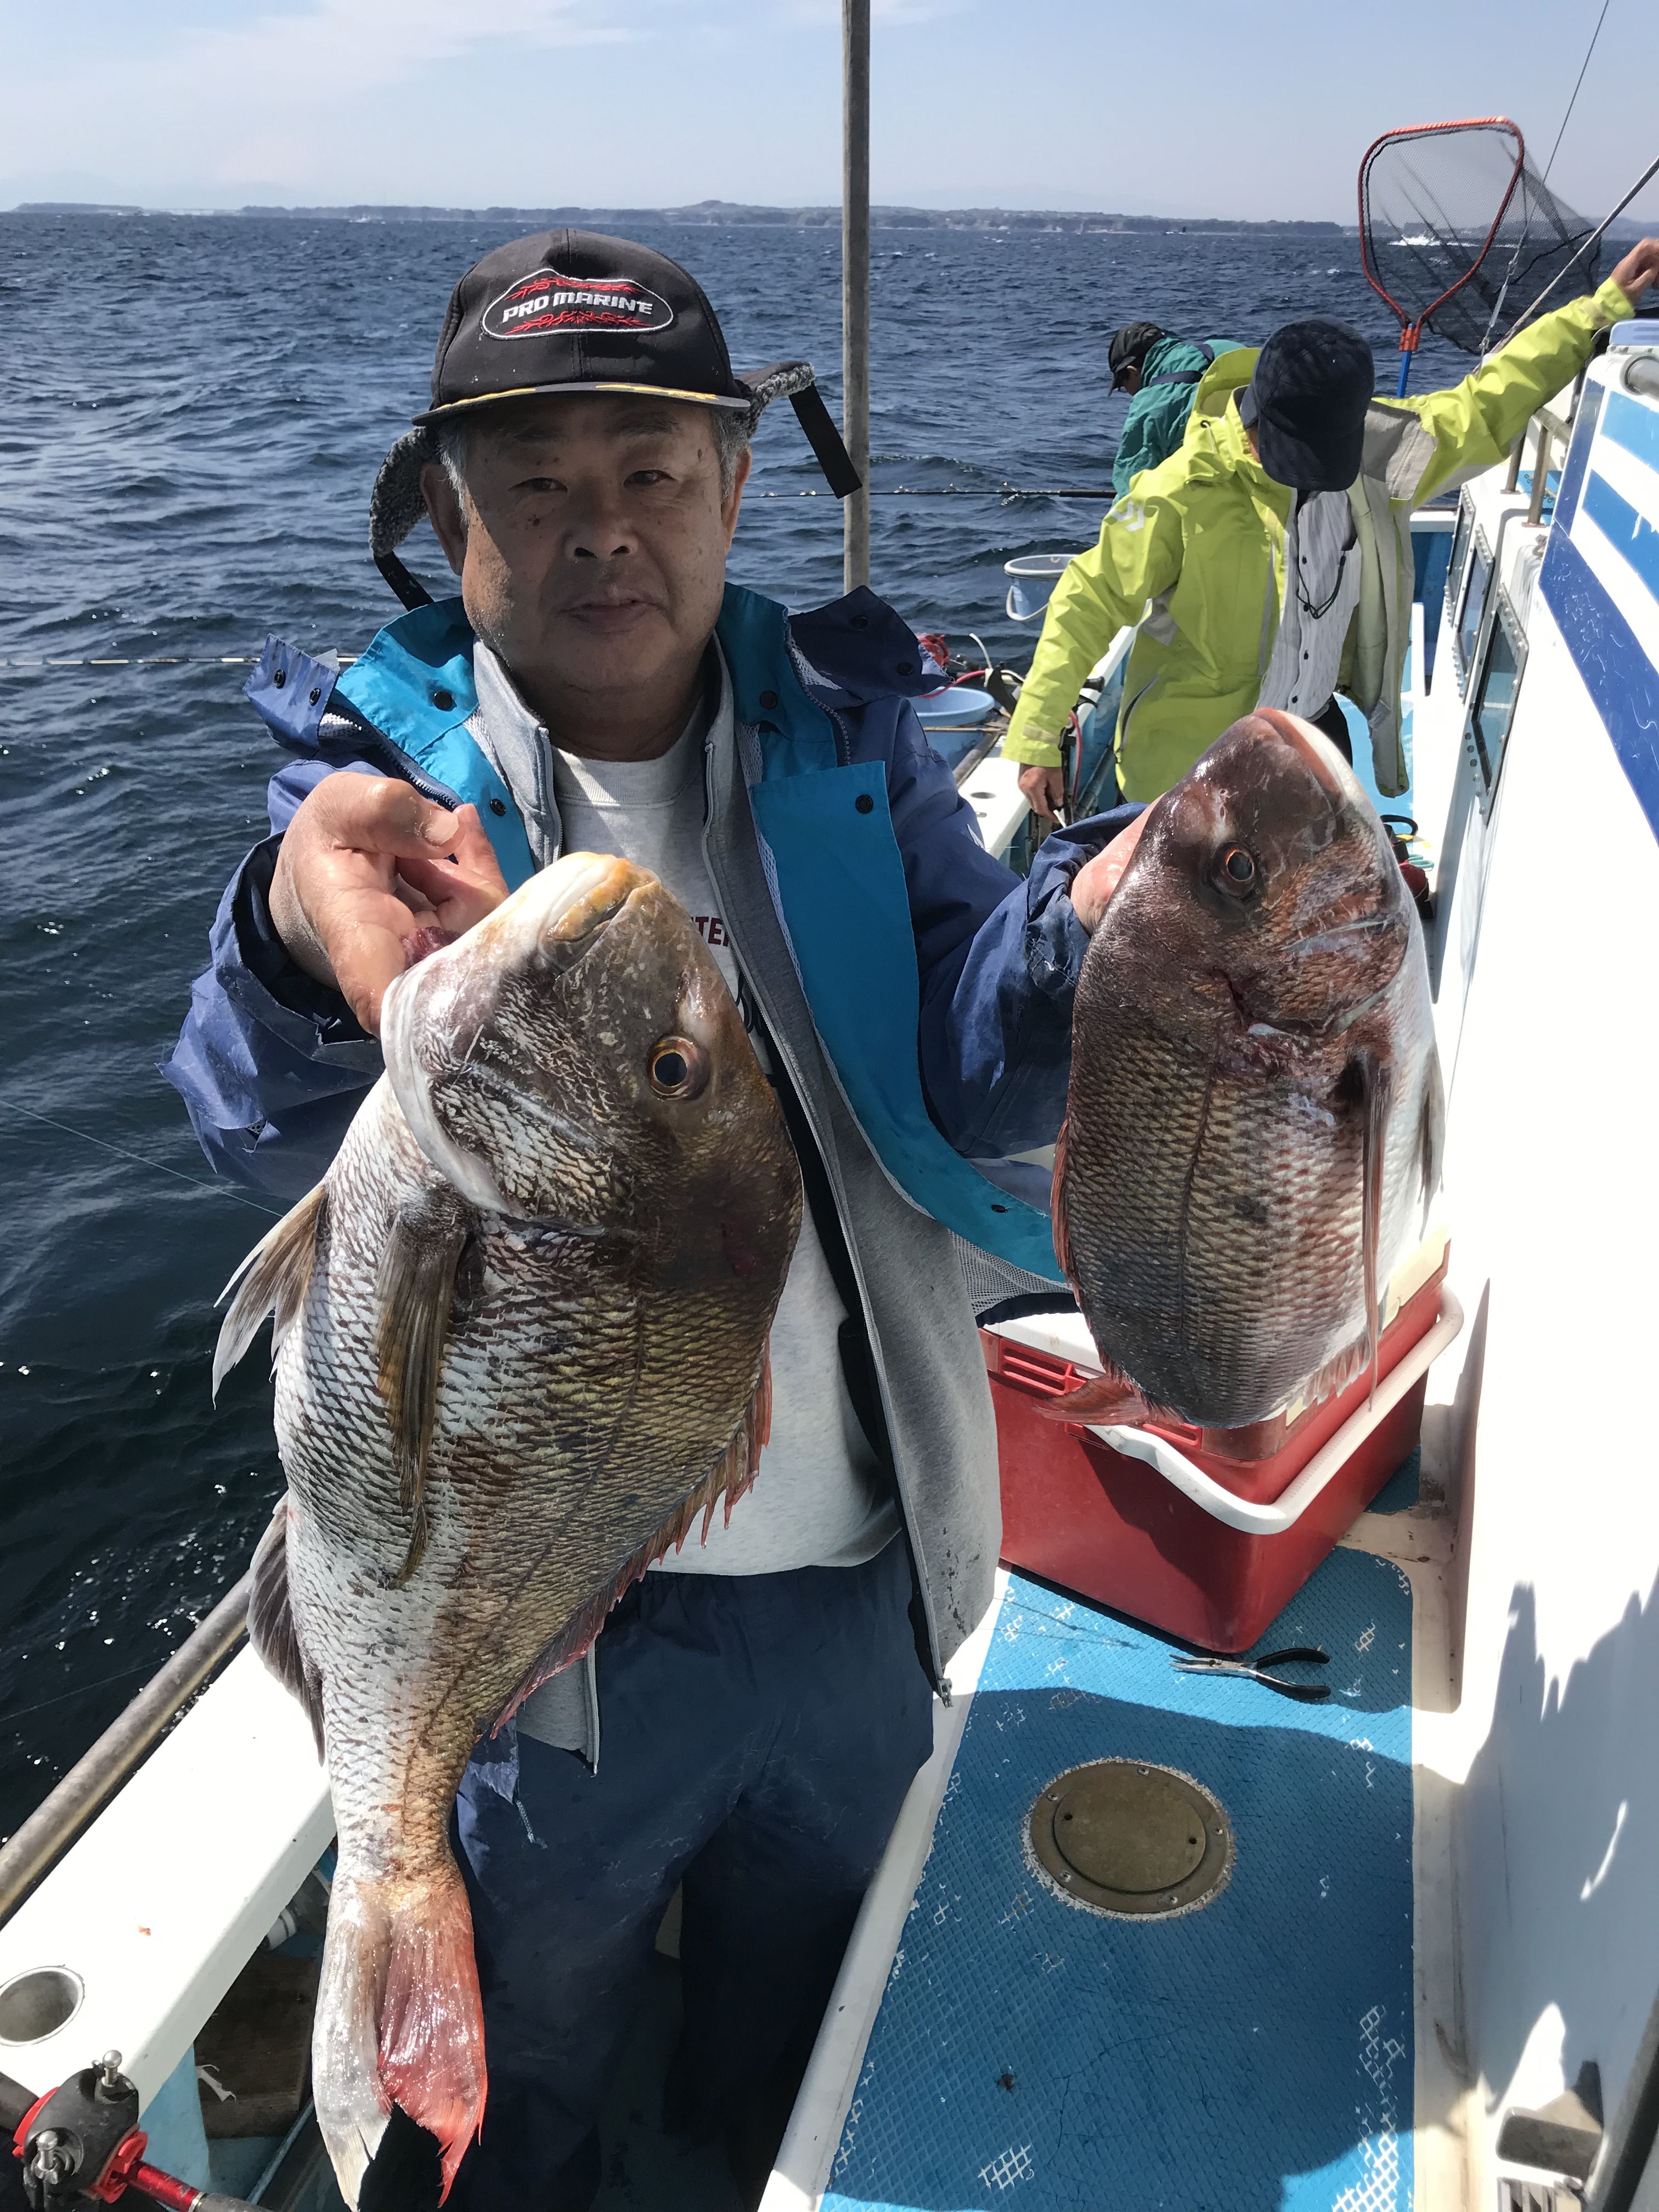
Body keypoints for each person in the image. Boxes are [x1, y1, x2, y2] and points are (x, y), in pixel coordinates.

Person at [163, 229, 1131, 2211]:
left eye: (650, 472)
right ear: (451, 517)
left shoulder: (848, 739)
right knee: (523, 2050)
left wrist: (1072, 960)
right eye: (536, 485)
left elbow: (968, 1061)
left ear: (733, 489)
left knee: (802, 1991)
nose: (600, 526)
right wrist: (284, 937)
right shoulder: (382, 791)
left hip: (857, 1577)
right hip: (558, 1660)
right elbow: (249, 1127)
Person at [1010, 241, 1659, 818]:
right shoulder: (1177, 493)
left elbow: (1482, 408)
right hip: (1192, 768)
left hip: (1308, 739)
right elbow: (1088, 598)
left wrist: (1598, 311)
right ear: (1256, 415)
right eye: (1297, 457)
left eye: (1329, 458)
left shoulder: (1376, 456)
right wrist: (1038, 734)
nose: (1314, 476)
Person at [1105, 320, 1245, 498]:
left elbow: (1131, 489)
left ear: (1133, 372)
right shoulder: (1228, 349)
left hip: (1224, 501)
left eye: (1124, 386)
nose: (1130, 394)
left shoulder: (1149, 407)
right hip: (1272, 476)